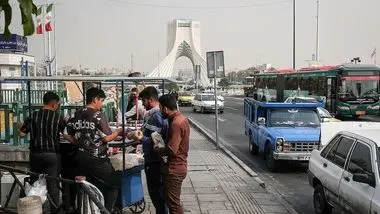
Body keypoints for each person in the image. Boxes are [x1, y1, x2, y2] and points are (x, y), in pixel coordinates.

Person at [66, 87, 122, 212]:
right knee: (114, 184)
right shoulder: (98, 115)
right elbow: (107, 138)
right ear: (95, 99)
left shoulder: (76, 114)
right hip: (97, 159)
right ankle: (107, 210)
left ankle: (89, 209)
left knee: (89, 185)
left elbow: (68, 135)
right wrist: (118, 132)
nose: (102, 104)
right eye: (101, 101)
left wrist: (79, 143)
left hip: (80, 157)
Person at [19, 92, 76, 213]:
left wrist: (19, 126)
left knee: (35, 183)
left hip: (35, 155)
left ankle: (36, 210)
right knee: (53, 185)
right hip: (52, 155)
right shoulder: (58, 117)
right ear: (54, 104)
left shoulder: (32, 116)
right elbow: (66, 135)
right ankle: (54, 210)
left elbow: (22, 134)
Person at [131, 86, 168, 214]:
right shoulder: (153, 115)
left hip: (154, 160)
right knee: (157, 195)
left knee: (157, 194)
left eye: (144, 101)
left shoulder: (156, 116)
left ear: (150, 100)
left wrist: (141, 139)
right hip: (152, 158)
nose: (142, 104)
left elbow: (155, 139)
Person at [155, 94, 190, 214]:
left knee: (173, 204)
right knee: (171, 201)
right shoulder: (182, 119)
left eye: (160, 108)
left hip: (174, 169)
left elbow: (172, 150)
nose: (160, 111)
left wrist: (158, 149)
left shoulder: (176, 123)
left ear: (165, 108)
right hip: (180, 166)